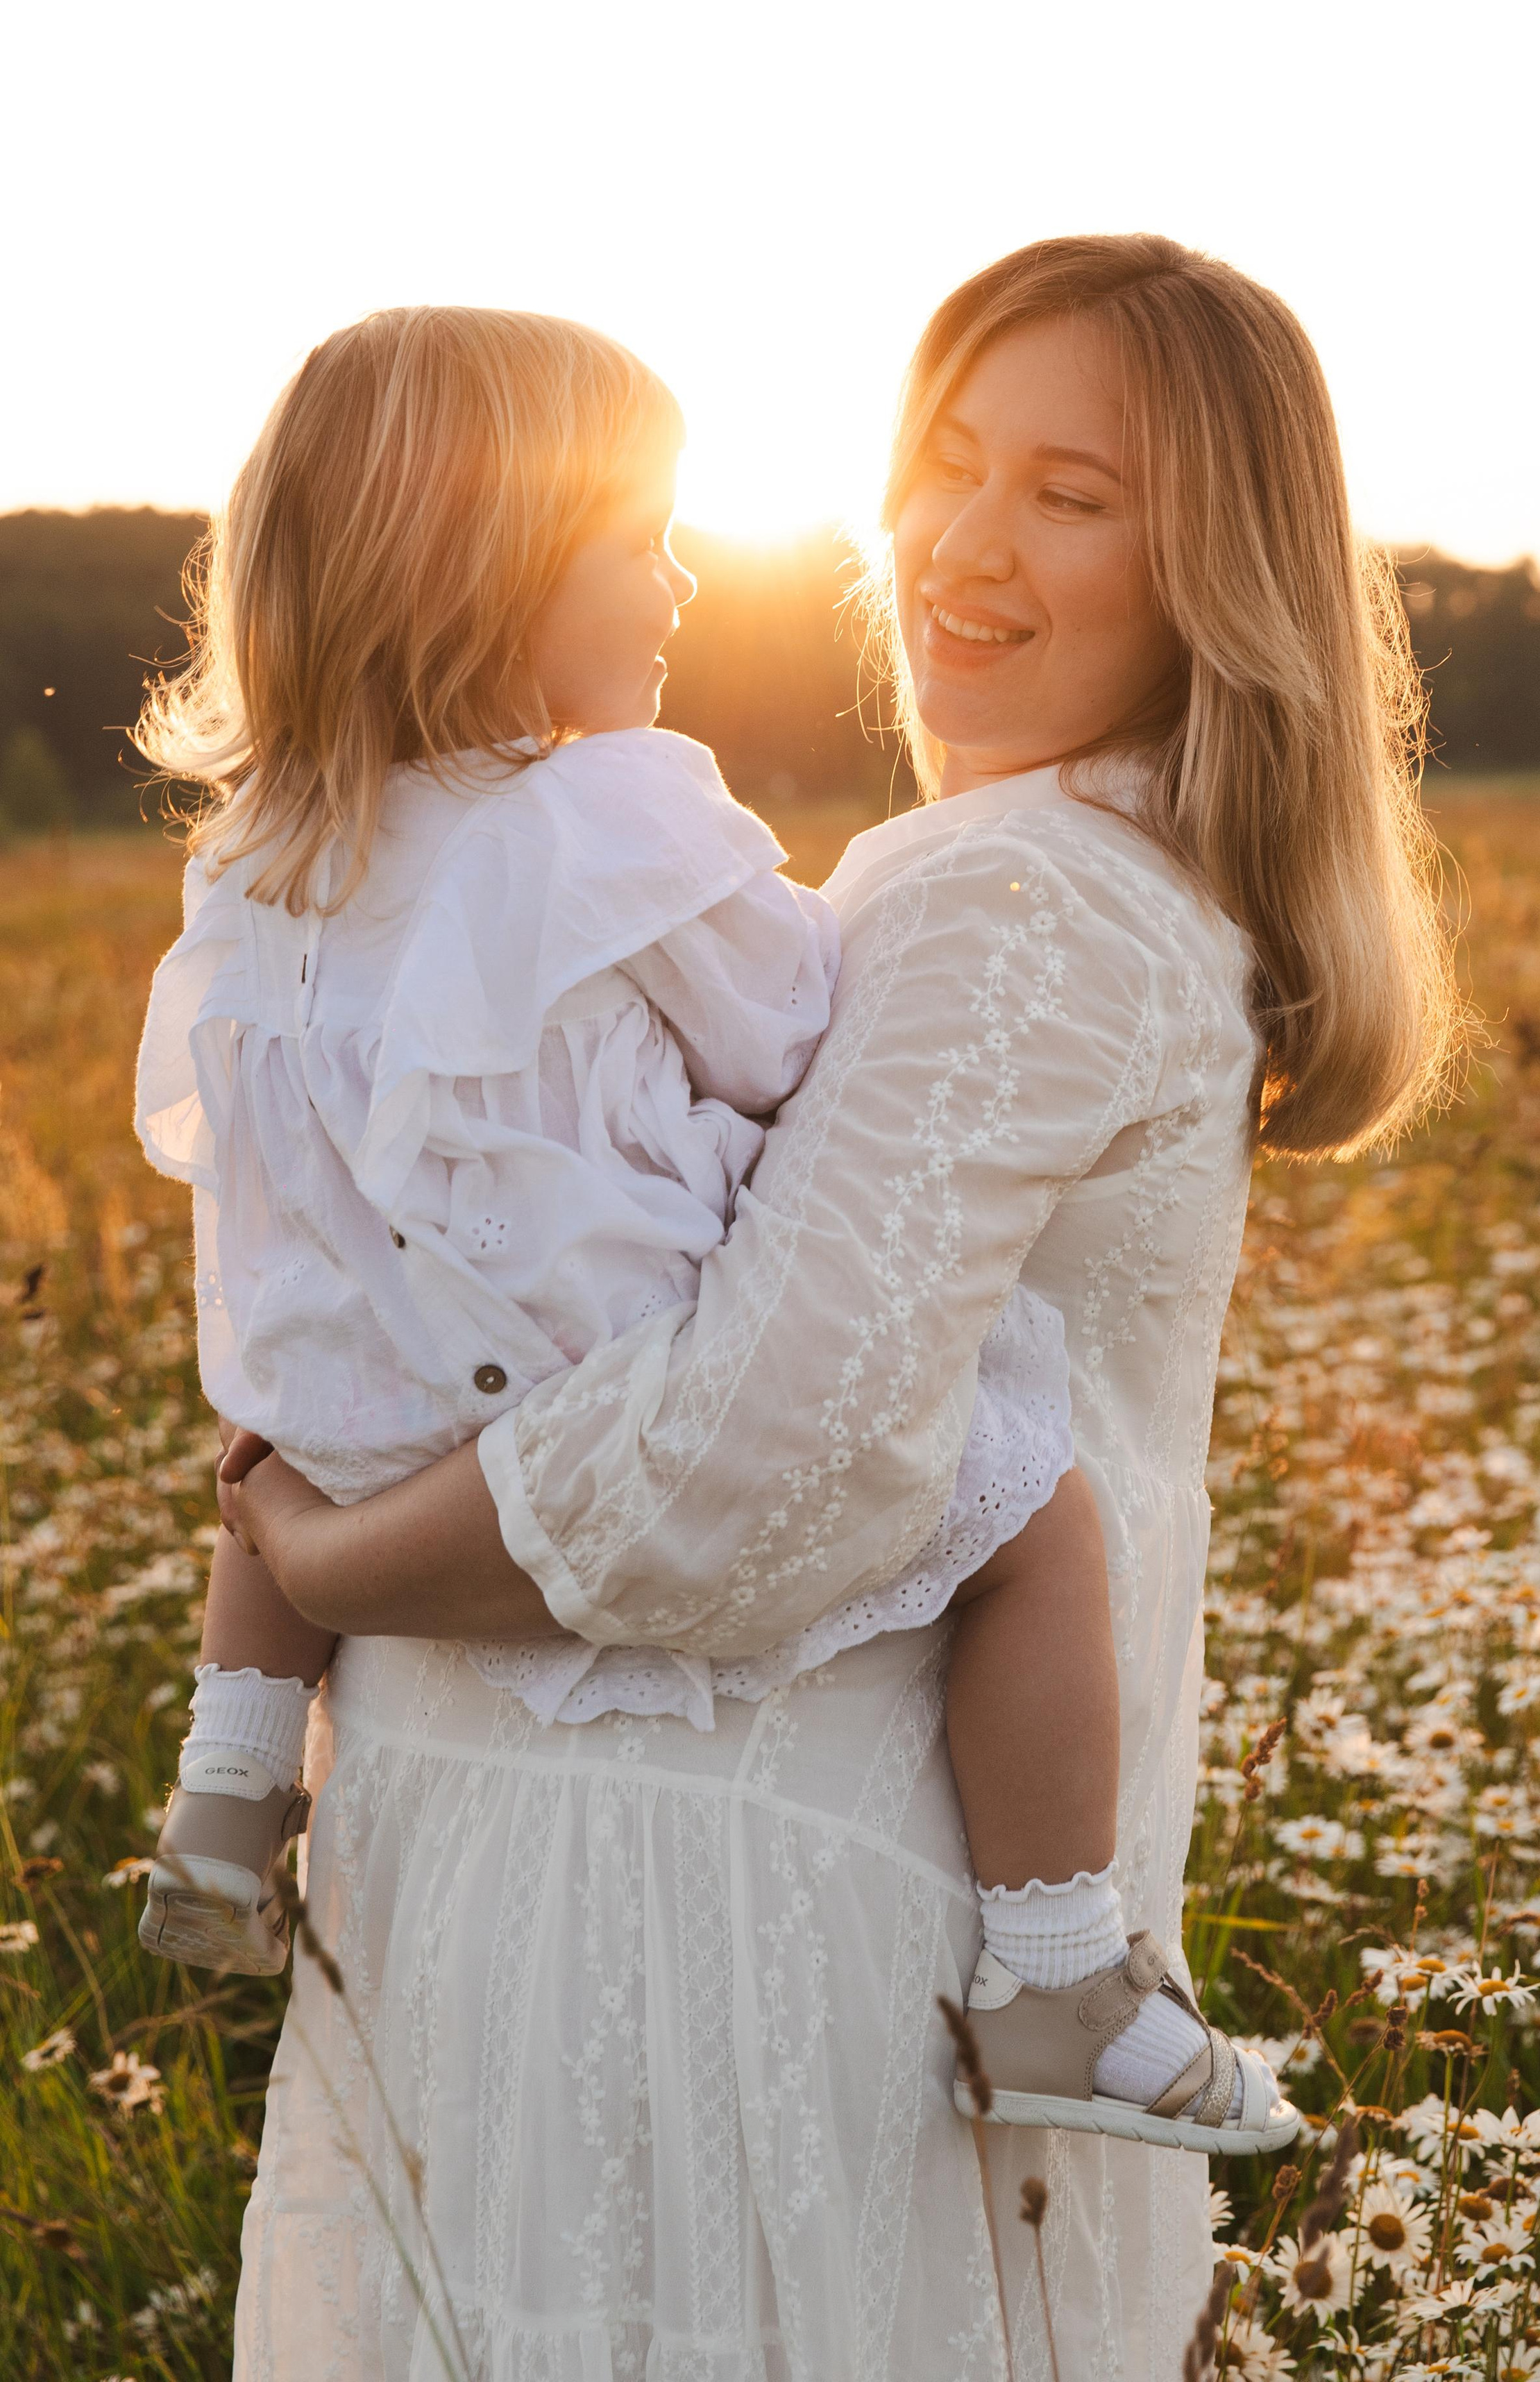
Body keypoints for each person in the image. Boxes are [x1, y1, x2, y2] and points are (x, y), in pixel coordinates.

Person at [216, 238, 1457, 2376]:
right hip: (622, 1881)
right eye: (949, 465)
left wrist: (319, 1552)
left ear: (1217, 576)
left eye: (1074, 497)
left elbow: (745, 1458)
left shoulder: (1019, 892)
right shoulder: (999, 864)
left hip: (726, 1935)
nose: (967, 546)